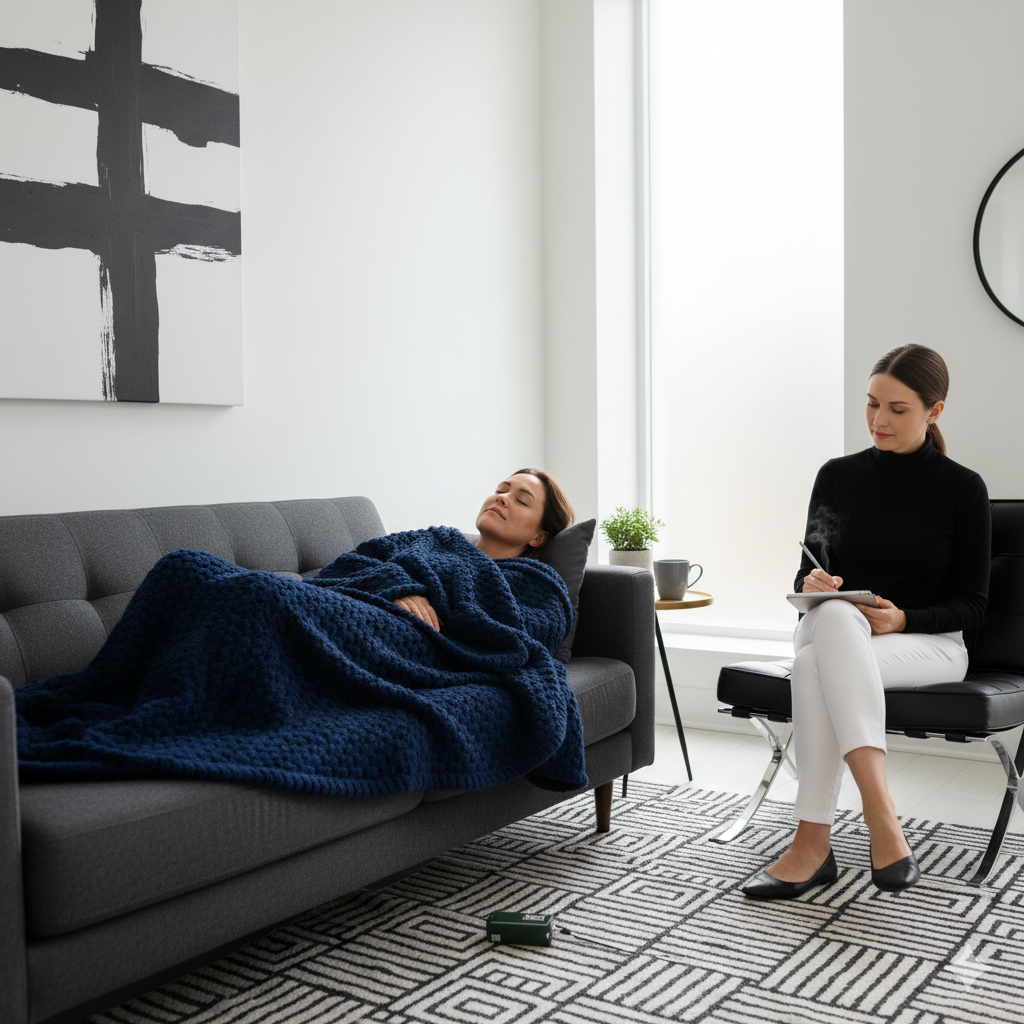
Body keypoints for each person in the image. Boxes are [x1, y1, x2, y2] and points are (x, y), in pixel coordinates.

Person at [742, 345, 991, 899]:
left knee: (812, 666)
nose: (880, 420)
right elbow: (808, 571)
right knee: (831, 621)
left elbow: (973, 605)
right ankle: (883, 816)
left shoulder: (963, 490)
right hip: (834, 630)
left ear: (935, 411)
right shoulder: (837, 477)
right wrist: (813, 585)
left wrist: (903, 618)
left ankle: (813, 843)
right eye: (872, 404)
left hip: (929, 644)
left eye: (898, 409)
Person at [394, 468, 575, 630]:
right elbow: (368, 556)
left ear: (539, 537)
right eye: (501, 490)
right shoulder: (436, 539)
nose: (501, 497)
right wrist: (401, 588)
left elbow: (526, 635)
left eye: (521, 501)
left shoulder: (539, 585)